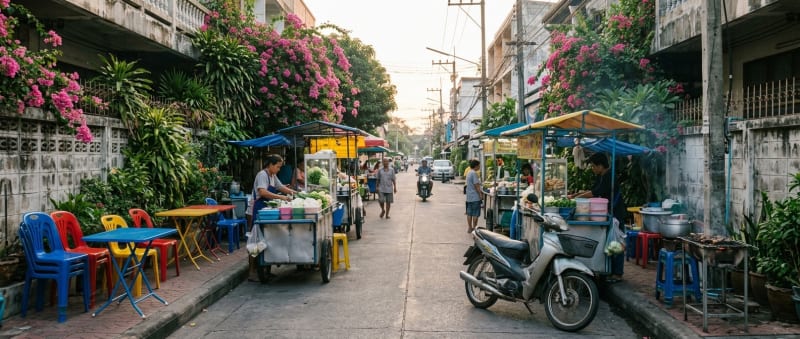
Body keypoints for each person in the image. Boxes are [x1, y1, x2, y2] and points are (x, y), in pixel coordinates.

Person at [568, 152, 628, 283]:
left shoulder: (609, 176)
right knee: (609, 242)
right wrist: (576, 195)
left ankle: (617, 273)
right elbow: (592, 190)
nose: (592, 169)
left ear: (600, 165)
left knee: (616, 242)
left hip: (616, 213)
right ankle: (609, 270)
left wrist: (576, 198)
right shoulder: (601, 176)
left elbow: (595, 193)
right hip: (608, 212)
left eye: (593, 166)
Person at [465, 159, 485, 233]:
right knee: (475, 213)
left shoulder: (469, 172)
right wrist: (480, 194)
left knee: (469, 213)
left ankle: (470, 228)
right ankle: (474, 229)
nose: (479, 167)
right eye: (479, 165)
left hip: (469, 197)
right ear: (476, 166)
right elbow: (476, 185)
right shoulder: (474, 173)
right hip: (475, 197)